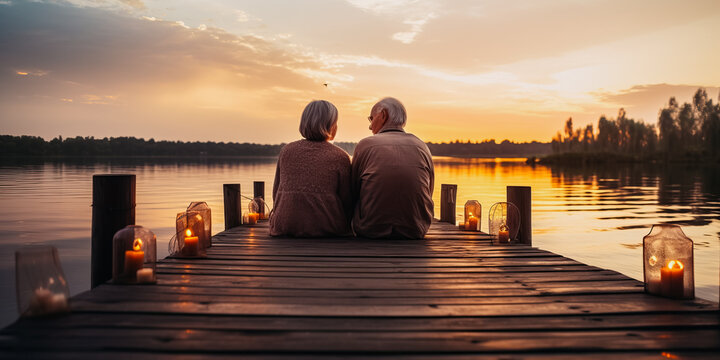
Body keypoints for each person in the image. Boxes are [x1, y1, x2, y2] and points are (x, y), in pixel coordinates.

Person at [351, 97, 434, 239]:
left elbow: (352, 191)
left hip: (370, 230)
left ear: (383, 115)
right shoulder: (422, 146)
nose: (370, 127)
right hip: (415, 230)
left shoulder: (366, 145)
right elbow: (429, 190)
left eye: (371, 119)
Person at [269, 100, 353, 237]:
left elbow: (276, 192)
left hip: (283, 225)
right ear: (331, 126)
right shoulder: (340, 157)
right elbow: (347, 200)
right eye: (335, 122)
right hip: (327, 227)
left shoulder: (286, 151)